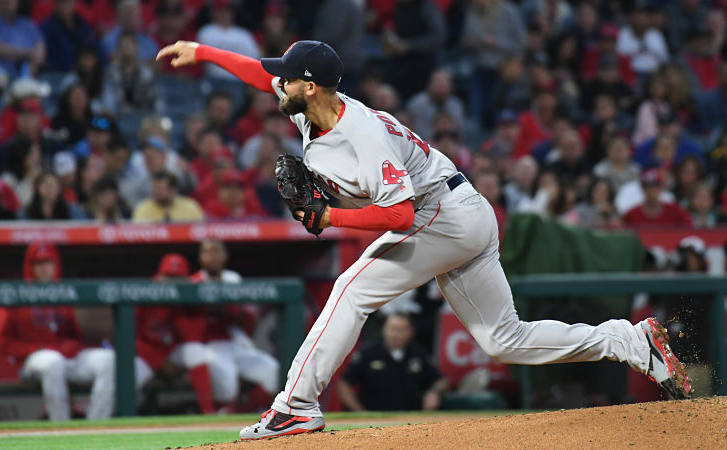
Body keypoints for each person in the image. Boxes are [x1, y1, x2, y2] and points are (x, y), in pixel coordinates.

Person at [158, 38, 692, 440]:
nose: (279, 83)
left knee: (350, 291)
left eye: (288, 78)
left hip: (442, 214)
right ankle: (629, 341)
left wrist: (329, 217)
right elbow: (259, 73)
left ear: (311, 86)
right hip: (463, 212)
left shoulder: (361, 134)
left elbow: (400, 213)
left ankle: (296, 406)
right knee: (503, 339)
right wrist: (201, 52)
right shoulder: (310, 102)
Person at [0, 242, 115, 420]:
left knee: (109, 360)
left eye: (48, 262)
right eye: (39, 263)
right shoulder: (16, 294)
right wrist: (37, 349)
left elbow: (75, 336)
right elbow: (4, 342)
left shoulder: (62, 293)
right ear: (30, 266)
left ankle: (95, 424)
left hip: (63, 357)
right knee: (53, 361)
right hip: (33, 361)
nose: (45, 268)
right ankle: (60, 426)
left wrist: (70, 347)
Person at [188, 239, 280, 411]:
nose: (212, 256)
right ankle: (224, 415)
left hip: (235, 341)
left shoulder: (233, 279)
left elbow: (248, 316)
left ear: (225, 256)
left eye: (216, 252)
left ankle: (240, 411)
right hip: (210, 345)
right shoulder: (194, 282)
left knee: (274, 372)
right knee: (228, 387)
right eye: (207, 252)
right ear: (200, 257)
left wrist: (234, 309)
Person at [136, 253, 217, 414]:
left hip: (172, 351)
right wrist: (160, 362)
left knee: (195, 351)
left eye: (177, 279)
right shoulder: (143, 297)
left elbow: (192, 337)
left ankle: (208, 412)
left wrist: (183, 308)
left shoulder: (189, 300)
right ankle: (119, 421)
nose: (172, 285)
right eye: (169, 278)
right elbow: (132, 340)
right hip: (146, 355)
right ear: (159, 277)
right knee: (129, 378)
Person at [337, 313, 448, 411]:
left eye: (402, 330)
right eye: (393, 329)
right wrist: (360, 412)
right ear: (384, 329)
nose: (396, 335)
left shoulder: (419, 354)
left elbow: (442, 381)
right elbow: (344, 384)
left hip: (411, 419)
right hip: (374, 419)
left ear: (411, 332)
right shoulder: (367, 353)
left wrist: (434, 392)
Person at [0, 0, 46, 78]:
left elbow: (40, 46)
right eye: (4, 2)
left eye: (11, 2)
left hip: (27, 76)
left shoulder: (27, 24)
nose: (7, 4)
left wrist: (34, 62)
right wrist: (28, 53)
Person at [622, 169, 692, 227]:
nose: (652, 190)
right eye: (648, 187)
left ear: (661, 188)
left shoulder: (675, 210)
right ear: (643, 189)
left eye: (655, 187)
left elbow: (689, 227)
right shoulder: (632, 214)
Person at [132, 170, 203, 222]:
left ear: (173, 190)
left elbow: (202, 229)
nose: (156, 192)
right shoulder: (143, 208)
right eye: (154, 188)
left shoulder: (190, 207)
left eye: (160, 189)